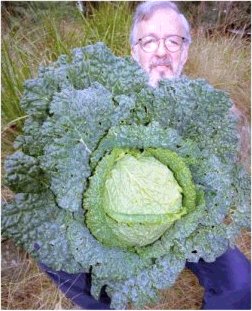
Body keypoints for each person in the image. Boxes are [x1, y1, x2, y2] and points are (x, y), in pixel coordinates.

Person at [40, 2, 251, 309]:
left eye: (173, 41)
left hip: (190, 229)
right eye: (149, 41)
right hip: (111, 228)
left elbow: (227, 188)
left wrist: (189, 217)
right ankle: (106, 302)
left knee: (242, 285)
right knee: (46, 244)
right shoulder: (102, 101)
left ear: (186, 51)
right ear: (133, 51)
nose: (161, 52)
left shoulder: (216, 112)